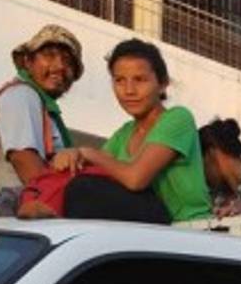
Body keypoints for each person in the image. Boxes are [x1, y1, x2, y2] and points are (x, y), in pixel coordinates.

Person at [52, 39, 211, 223]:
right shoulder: (124, 134)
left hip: (189, 229)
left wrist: (86, 153)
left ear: (162, 83)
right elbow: (95, 173)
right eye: (119, 80)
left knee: (83, 189)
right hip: (145, 231)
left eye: (140, 80)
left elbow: (136, 178)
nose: (129, 90)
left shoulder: (178, 118)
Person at [0, 25, 83, 217]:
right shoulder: (22, 95)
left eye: (68, 61)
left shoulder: (42, 105)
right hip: (18, 216)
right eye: (49, 55)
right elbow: (27, 165)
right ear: (28, 62)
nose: (60, 66)